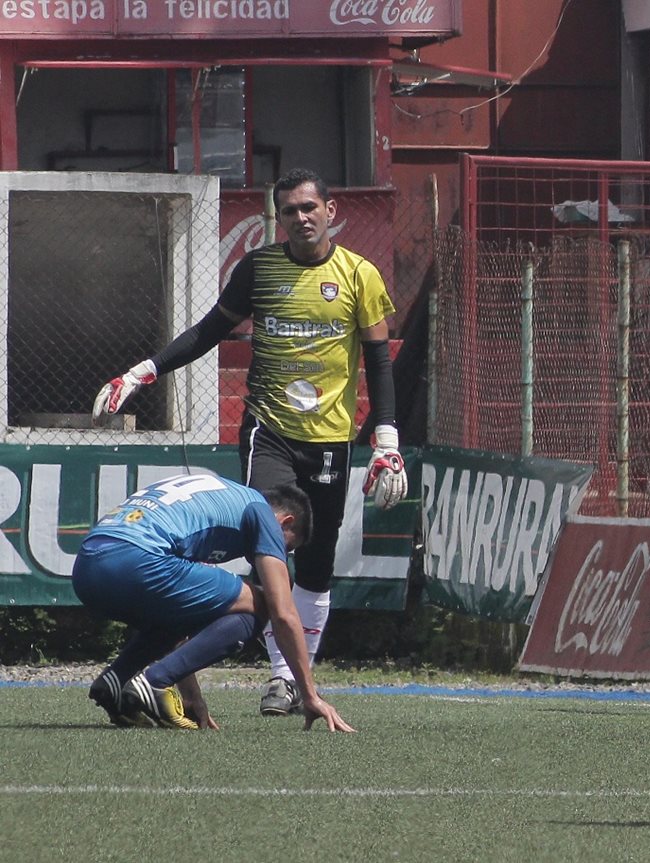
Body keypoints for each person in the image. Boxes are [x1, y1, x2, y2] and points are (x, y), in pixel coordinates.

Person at [92, 168, 408, 717]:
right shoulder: (259, 268)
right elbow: (210, 330)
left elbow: (379, 363)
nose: (301, 218)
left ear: (331, 212)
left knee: (317, 557)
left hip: (332, 436)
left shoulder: (361, 276)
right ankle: (181, 674)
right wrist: (146, 370)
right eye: (289, 211)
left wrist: (386, 439)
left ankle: (287, 680)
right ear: (278, 218)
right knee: (271, 535)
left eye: (310, 207)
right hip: (270, 429)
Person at [73, 473, 354, 732]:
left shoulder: (218, 496)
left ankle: (115, 681)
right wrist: (309, 695)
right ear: (286, 522)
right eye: (287, 548)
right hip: (138, 559)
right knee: (261, 604)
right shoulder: (261, 511)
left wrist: (191, 696)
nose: (283, 556)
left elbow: (180, 618)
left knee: (181, 613)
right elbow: (283, 614)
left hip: (87, 569)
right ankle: (154, 682)